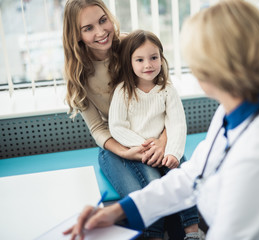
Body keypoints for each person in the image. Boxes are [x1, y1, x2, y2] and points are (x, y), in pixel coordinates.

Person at [65, 0, 259, 239]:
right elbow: (192, 173)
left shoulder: (257, 157)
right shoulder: (239, 108)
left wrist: (164, 143)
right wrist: (117, 211)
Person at [62, 0, 186, 239]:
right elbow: (98, 127)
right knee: (140, 199)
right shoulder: (78, 71)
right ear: (75, 35)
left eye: (102, 20)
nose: (100, 32)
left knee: (174, 185)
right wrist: (126, 151)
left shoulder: (132, 45)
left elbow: (165, 96)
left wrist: (162, 141)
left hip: (158, 136)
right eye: (88, 28)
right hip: (116, 145)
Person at [108, 29, 201, 239]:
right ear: (129, 63)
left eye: (153, 58)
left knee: (184, 179)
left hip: (166, 147)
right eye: (139, 60)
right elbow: (117, 127)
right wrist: (146, 147)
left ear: (161, 58)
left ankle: (192, 233)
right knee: (152, 188)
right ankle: (155, 235)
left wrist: (174, 153)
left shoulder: (167, 89)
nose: (148, 65)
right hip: (142, 151)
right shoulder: (123, 91)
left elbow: (176, 122)